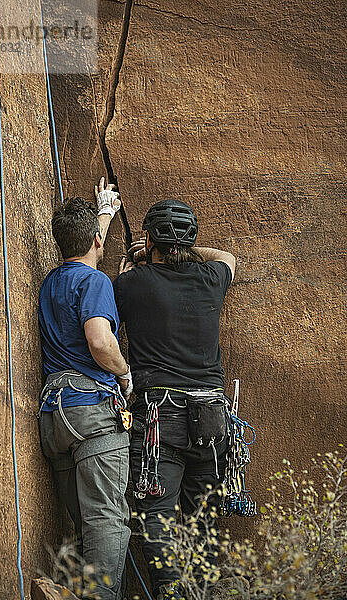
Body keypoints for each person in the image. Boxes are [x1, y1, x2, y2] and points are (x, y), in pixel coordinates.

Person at [113, 199, 236, 600]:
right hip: (212, 420)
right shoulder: (211, 278)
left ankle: (170, 593)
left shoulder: (132, 284)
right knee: (204, 523)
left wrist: (138, 260)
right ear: (192, 238)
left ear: (149, 238)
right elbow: (228, 257)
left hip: (158, 421)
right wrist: (189, 248)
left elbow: (116, 292)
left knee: (157, 520)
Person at [38, 177, 132, 600]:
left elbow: (85, 249)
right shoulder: (97, 284)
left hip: (54, 418)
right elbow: (99, 341)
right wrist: (125, 374)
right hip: (92, 411)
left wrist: (105, 212)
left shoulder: (51, 283)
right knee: (107, 519)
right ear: (96, 240)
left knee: (80, 523)